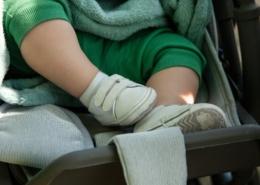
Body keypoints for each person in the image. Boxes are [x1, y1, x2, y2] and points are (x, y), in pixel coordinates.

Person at [3, 0, 227, 133]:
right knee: (30, 7)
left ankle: (161, 116)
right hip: (42, 40)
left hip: (126, 32)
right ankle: (99, 92)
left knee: (179, 52)